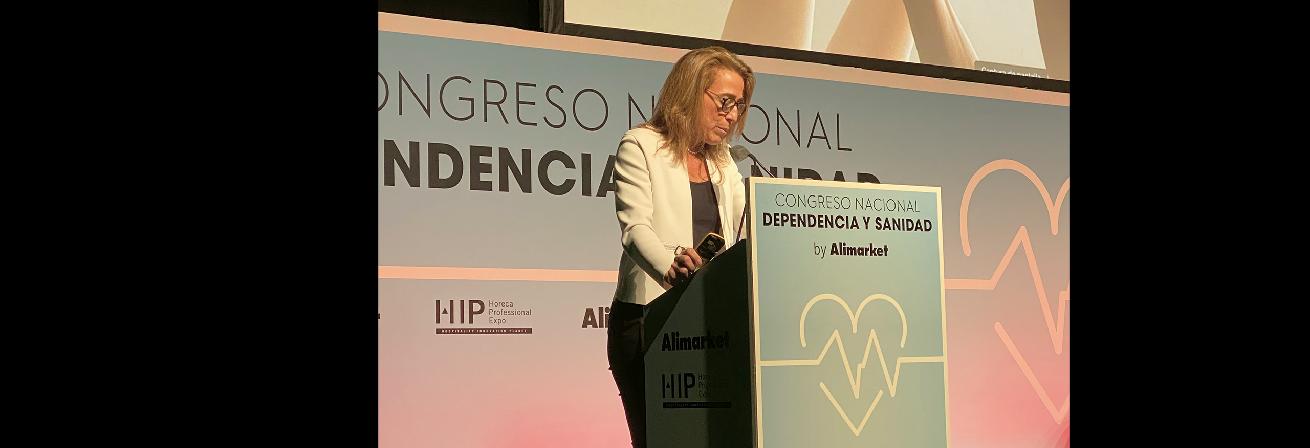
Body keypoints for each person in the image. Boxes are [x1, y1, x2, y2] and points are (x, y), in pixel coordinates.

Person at [607, 46, 754, 448]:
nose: (732, 115)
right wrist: (670, 265)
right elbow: (635, 228)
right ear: (690, 91)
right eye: (724, 102)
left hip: (710, 322)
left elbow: (745, 233)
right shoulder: (641, 145)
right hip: (648, 318)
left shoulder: (723, 161)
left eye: (739, 105)